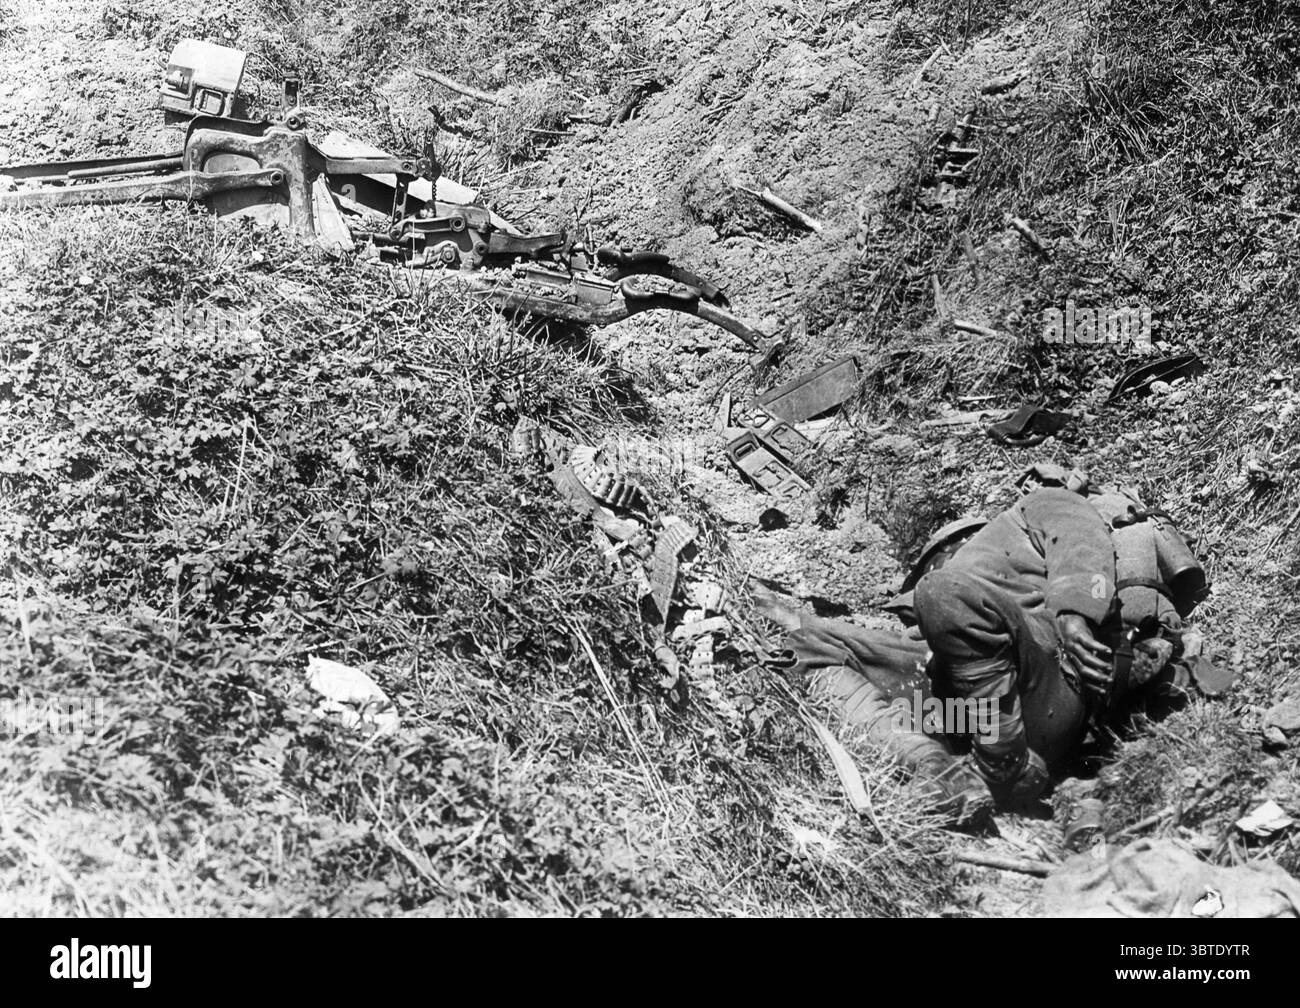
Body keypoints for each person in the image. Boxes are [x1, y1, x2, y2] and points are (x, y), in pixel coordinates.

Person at [766, 468, 1207, 820]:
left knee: (944, 594)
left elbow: (1078, 535)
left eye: (940, 553)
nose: (938, 562)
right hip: (959, 714)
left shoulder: (1033, 511)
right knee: (804, 645)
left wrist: (1074, 611)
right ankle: (936, 769)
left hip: (1047, 677)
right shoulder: (939, 602)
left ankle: (1003, 762)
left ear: (966, 539)